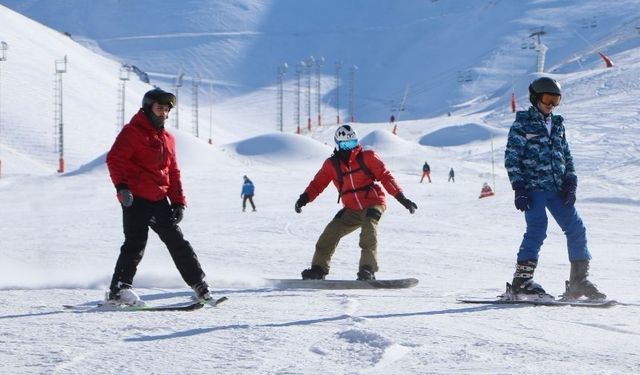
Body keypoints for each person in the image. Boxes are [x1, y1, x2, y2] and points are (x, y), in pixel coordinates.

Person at [105, 88, 214, 306]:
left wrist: (179, 202)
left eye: (166, 110)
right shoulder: (132, 132)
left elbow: (173, 172)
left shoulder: (168, 139)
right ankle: (119, 290)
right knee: (135, 243)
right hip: (135, 198)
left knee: (177, 242)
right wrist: (122, 187)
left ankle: (199, 285)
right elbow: (115, 159)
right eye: (159, 108)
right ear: (148, 108)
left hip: (159, 199)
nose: (163, 113)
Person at [504, 76, 605, 300]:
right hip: (533, 188)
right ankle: (522, 281)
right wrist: (519, 187)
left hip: (557, 188)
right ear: (535, 98)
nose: (551, 105)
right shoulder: (523, 124)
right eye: (547, 99)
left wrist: (571, 180)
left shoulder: (558, 124)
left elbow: (566, 155)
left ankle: (578, 281)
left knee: (576, 228)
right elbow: (512, 158)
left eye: (556, 100)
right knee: (537, 229)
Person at [294, 124, 418, 281]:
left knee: (368, 230)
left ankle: (367, 269)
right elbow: (318, 183)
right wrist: (304, 198)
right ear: (338, 144)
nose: (349, 148)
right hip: (351, 208)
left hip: (373, 202)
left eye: (352, 143)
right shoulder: (332, 165)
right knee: (329, 234)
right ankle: (318, 269)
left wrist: (402, 198)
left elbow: (385, 177)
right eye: (345, 145)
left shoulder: (368, 157)